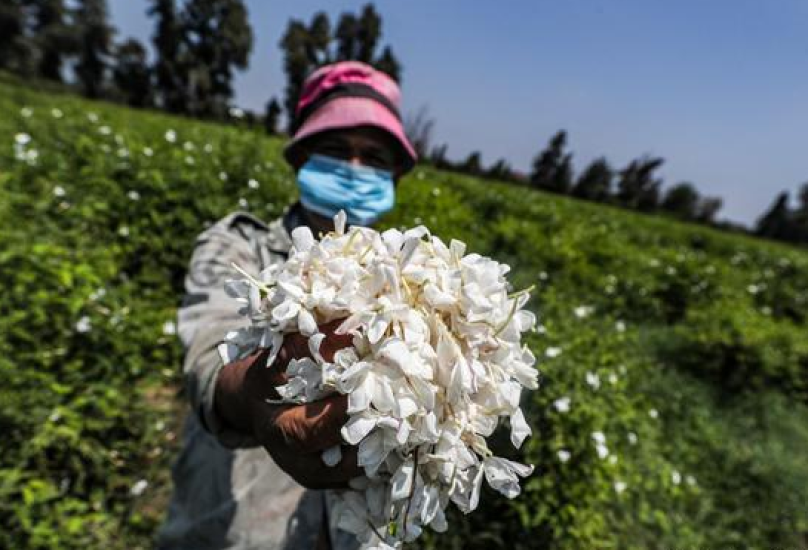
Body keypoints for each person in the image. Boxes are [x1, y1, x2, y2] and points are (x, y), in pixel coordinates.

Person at [156, 61, 418, 550]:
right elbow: (209, 357)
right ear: (301, 158)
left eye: (374, 157)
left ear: (395, 178)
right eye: (337, 151)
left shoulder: (410, 279)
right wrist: (254, 391)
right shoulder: (239, 248)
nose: (355, 169)